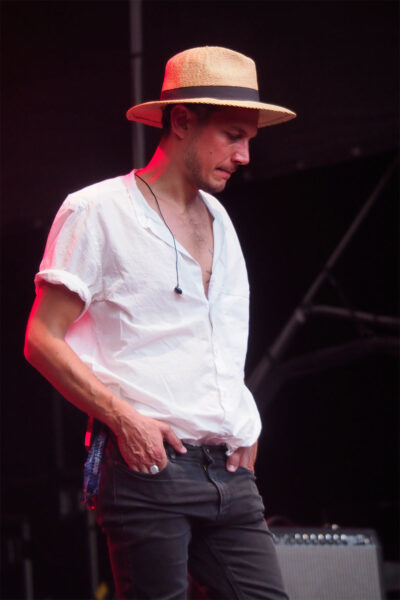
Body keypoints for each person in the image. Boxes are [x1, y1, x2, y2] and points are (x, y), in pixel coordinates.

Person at [24, 46, 296, 599]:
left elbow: (214, 343)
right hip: (150, 467)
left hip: (231, 473)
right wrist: (125, 419)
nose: (244, 156)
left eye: (250, 140)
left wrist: (244, 421)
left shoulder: (221, 218)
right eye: (233, 135)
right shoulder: (97, 210)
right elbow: (40, 339)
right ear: (180, 121)